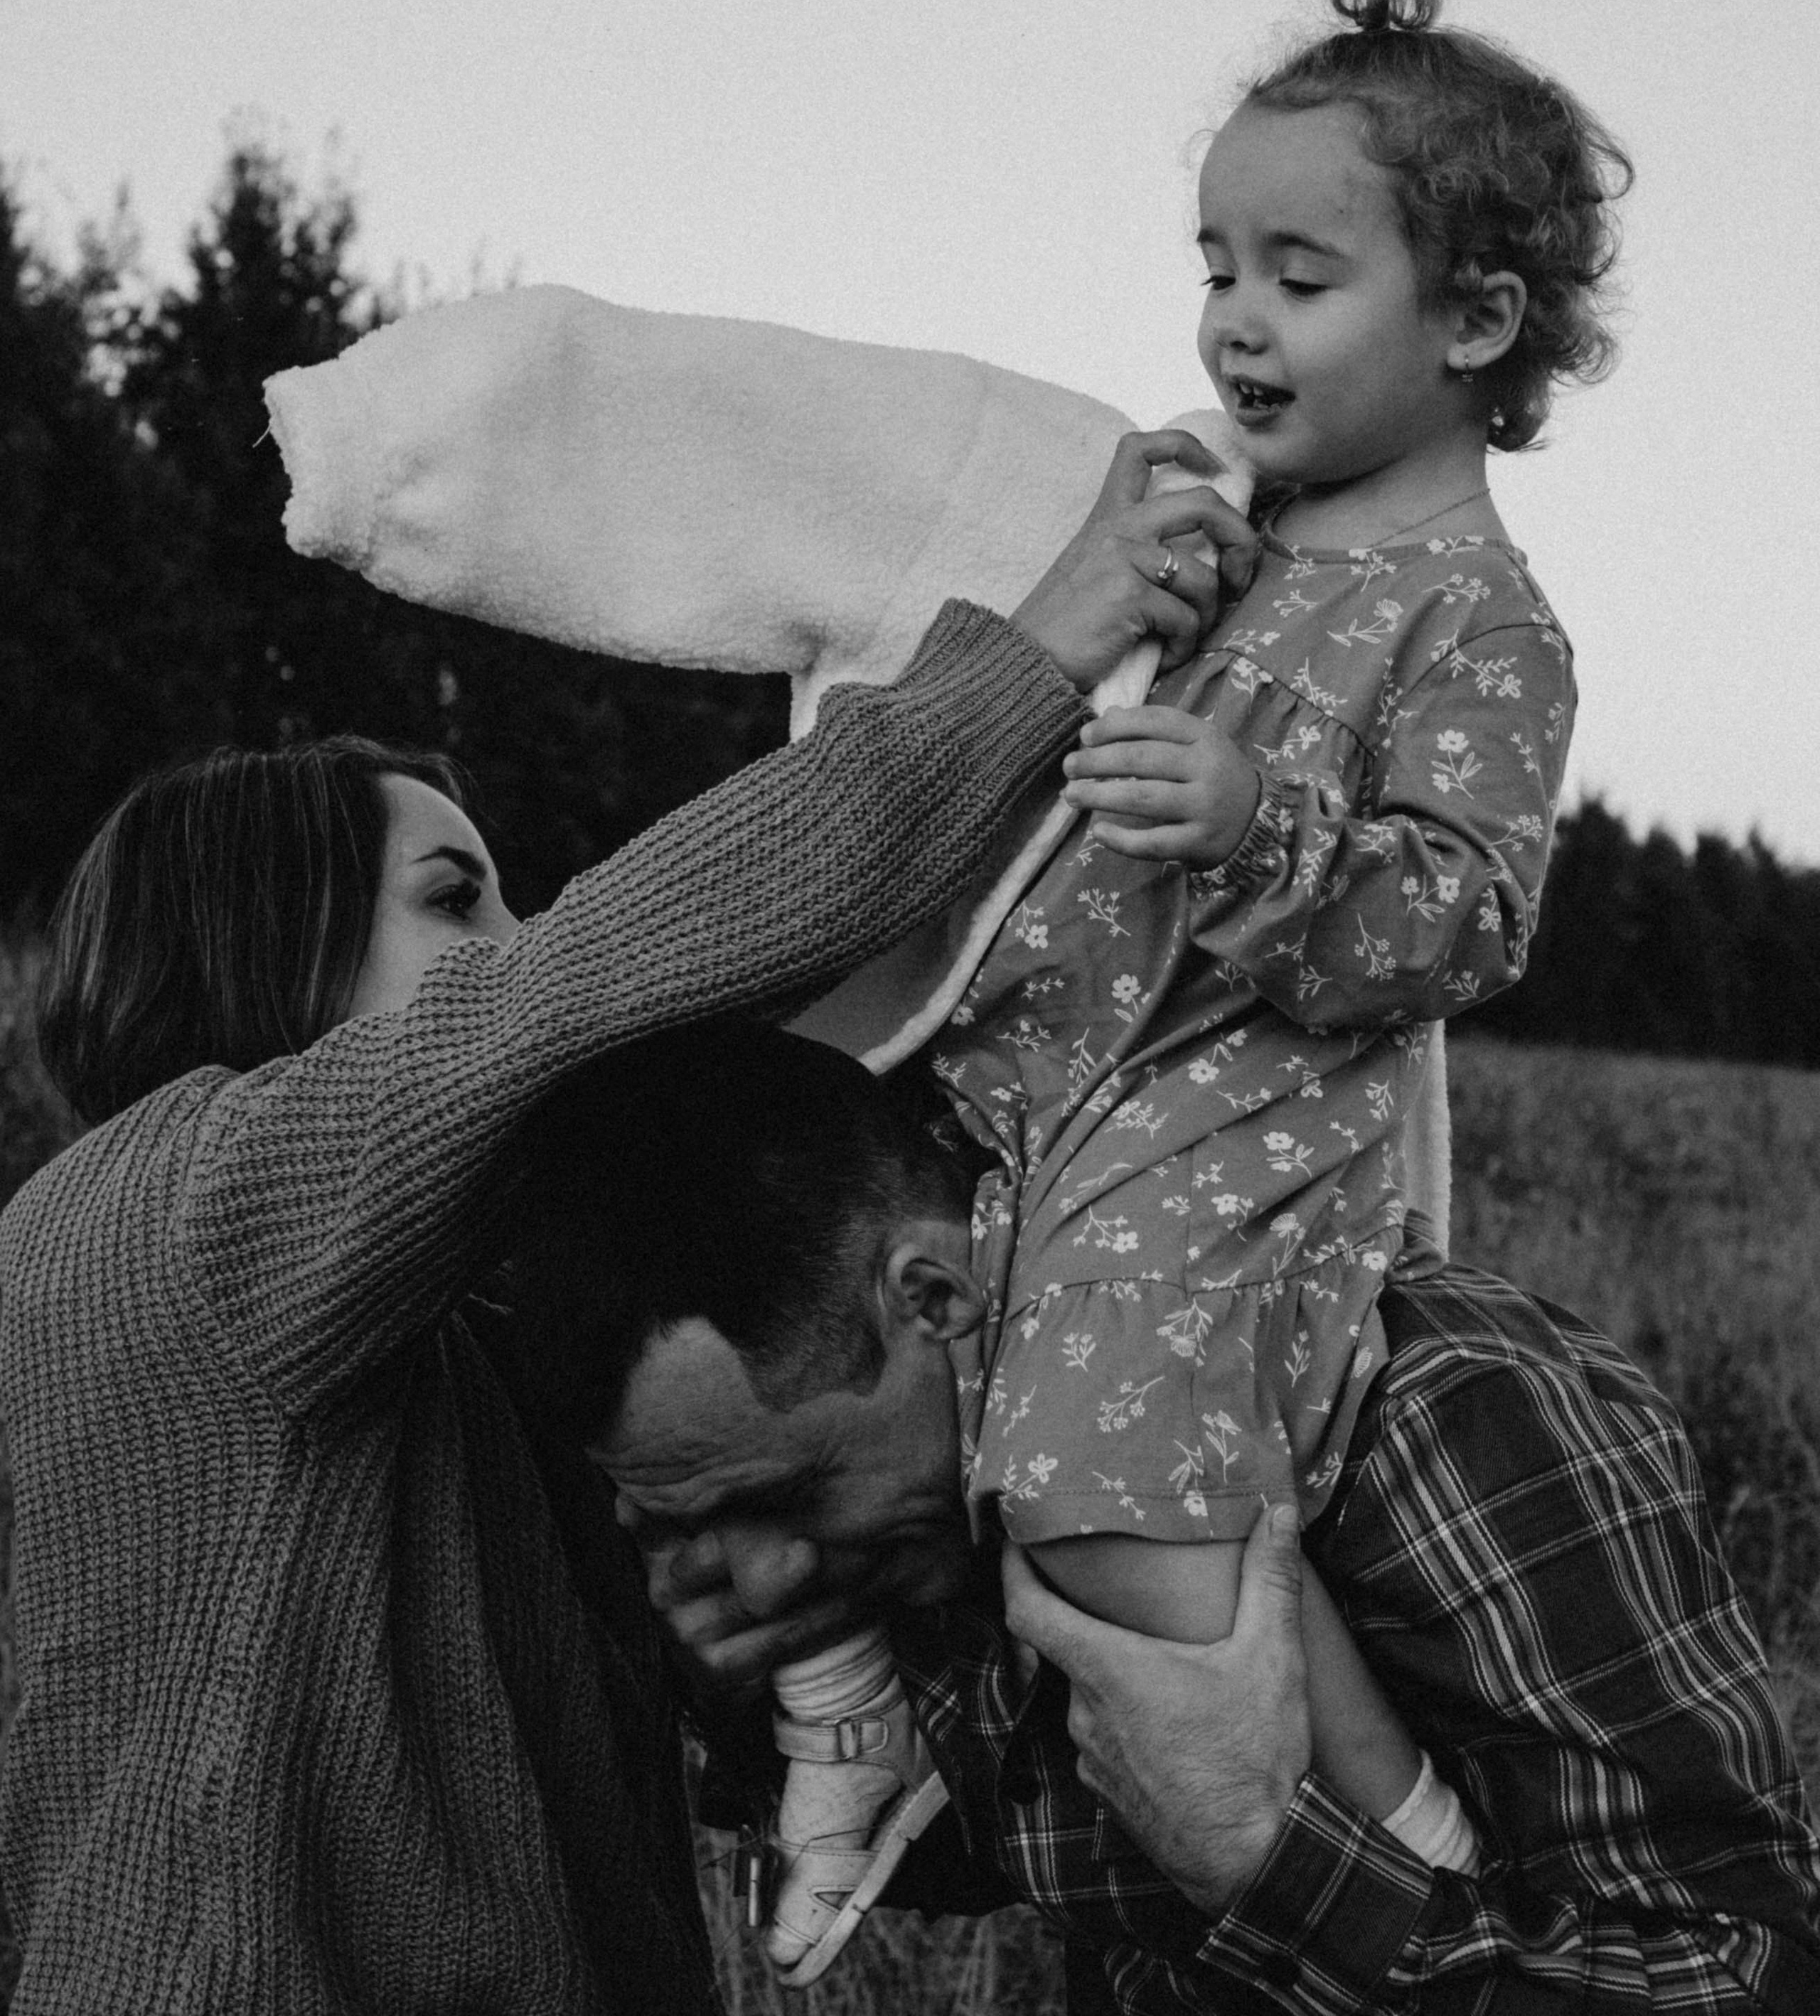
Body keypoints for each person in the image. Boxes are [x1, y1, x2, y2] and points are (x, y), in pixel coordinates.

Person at [0, 436, 1249, 2016]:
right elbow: (585, 994)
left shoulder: (454, 1338)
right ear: (257, 940)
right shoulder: (174, 1222)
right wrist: (1036, 658)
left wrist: (729, 1678)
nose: (518, 943)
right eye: (459, 902)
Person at [751, 0, 1630, 1975]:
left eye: (1299, 273)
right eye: (1215, 260)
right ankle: (846, 1700)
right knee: (771, 1316)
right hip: (1007, 1083)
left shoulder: (1482, 622)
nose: (1235, 314)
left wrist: (1263, 827)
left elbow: (1469, 920)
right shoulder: (1222, 530)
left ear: (1476, 321)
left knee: (1100, 1478)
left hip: (1217, 1136)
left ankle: (1397, 1861)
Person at [552, 1024, 1820, 2012]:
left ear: (934, 1294)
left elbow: (1748, 1983)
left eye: (788, 1494)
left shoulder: (1446, 1422)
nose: (765, 1578)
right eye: (694, 1526)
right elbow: (1012, 1855)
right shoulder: (946, 1507)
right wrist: (749, 1701)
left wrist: (1267, 1858)